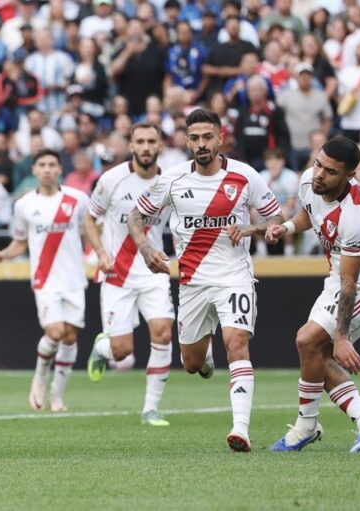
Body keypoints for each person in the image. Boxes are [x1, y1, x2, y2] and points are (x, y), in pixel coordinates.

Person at [129, 109, 284, 451]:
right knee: (191, 364)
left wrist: (252, 228)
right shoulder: (172, 178)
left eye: (208, 137)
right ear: (186, 141)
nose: (202, 144)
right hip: (193, 282)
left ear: (220, 137)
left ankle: (240, 429)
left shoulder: (245, 176)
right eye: (195, 138)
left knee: (237, 343)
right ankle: (205, 350)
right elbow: (136, 214)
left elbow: (277, 220)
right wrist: (144, 247)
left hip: (234, 276)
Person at [267, 136, 360, 453]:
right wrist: (287, 228)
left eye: (330, 171)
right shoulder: (310, 181)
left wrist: (341, 337)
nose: (319, 175)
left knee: (308, 341)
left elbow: (350, 282)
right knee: (313, 354)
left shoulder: (359, 214)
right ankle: (354, 424)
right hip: (336, 280)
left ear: (349, 175)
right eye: (318, 164)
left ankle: (312, 427)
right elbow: (310, 215)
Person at [84, 122, 176, 427]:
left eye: (152, 141)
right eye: (141, 141)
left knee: (162, 330)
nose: (147, 146)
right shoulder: (111, 180)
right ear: (132, 146)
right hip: (117, 273)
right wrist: (100, 252)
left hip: (153, 271)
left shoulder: (172, 182)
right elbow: (89, 218)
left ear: (160, 145)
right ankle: (101, 347)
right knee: (122, 352)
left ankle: (151, 408)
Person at [0, 149, 90, 412]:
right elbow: (20, 242)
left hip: (74, 278)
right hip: (45, 279)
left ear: (59, 169)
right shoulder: (24, 205)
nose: (47, 169)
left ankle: (57, 395)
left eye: (51, 164)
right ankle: (39, 380)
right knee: (54, 332)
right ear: (34, 170)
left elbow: (90, 230)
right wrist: (3, 254)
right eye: (42, 165)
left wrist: (99, 253)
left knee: (69, 338)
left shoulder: (77, 199)